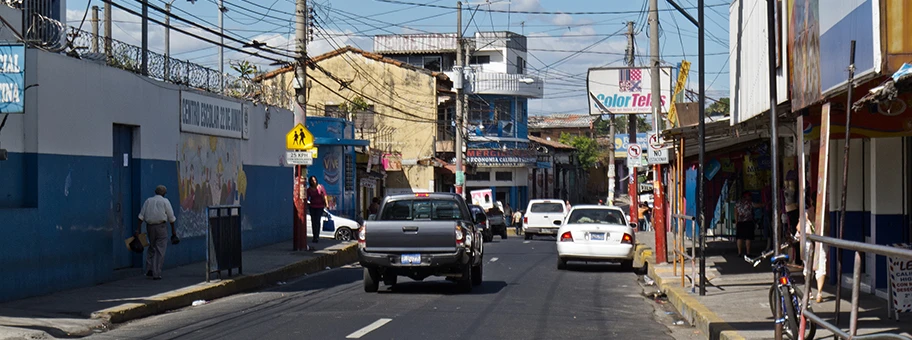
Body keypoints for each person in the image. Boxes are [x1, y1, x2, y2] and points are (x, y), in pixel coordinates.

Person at [136, 185, 178, 280]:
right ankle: (156, 272)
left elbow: (141, 216)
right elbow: (171, 218)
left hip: (149, 227)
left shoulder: (148, 201)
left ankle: (149, 269)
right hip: (161, 227)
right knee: (160, 250)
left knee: (152, 247)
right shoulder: (165, 202)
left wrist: (137, 230)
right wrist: (173, 232)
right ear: (164, 193)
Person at [795, 201, 827, 303]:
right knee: (821, 266)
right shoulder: (824, 213)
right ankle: (819, 293)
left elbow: (798, 228)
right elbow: (828, 228)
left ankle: (808, 292)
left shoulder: (806, 212)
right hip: (821, 242)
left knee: (808, 267)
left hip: (808, 243)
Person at [306, 176, 328, 244]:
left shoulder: (320, 187)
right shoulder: (309, 190)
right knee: (313, 221)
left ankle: (317, 236)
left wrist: (327, 204)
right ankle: (314, 236)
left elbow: (325, 195)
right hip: (312, 206)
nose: (313, 181)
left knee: (317, 221)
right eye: (312, 180)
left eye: (314, 180)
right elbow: (307, 197)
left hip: (320, 206)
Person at [735, 192, 756, 257]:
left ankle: (739, 252)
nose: (750, 197)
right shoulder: (749, 203)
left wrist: (736, 221)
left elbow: (736, 212)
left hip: (740, 222)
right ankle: (748, 252)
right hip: (748, 221)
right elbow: (756, 205)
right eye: (749, 196)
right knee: (748, 238)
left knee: (739, 238)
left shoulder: (738, 203)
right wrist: (764, 204)